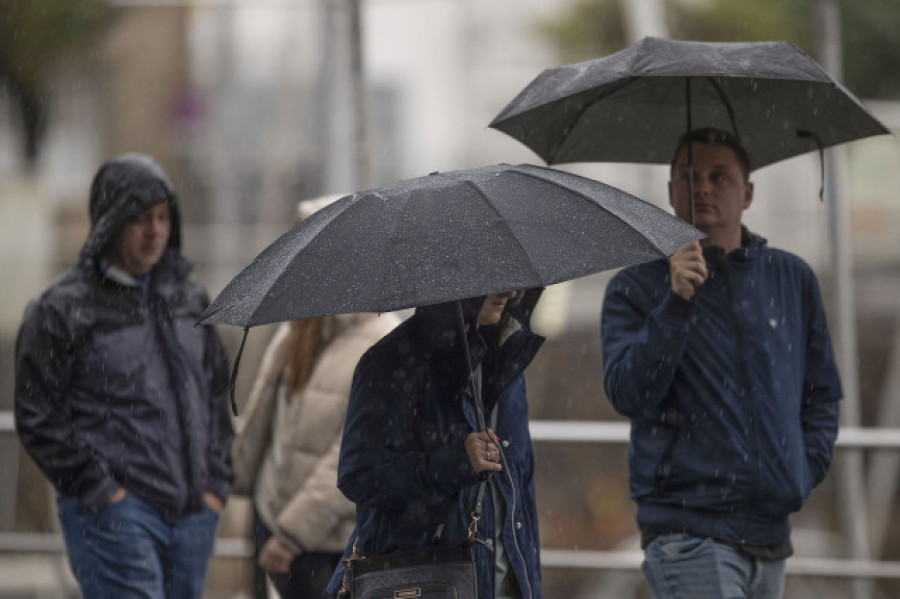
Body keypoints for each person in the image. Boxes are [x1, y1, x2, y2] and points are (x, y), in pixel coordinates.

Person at [600, 128, 843, 599]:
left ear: (747, 192)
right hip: (688, 534)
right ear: (671, 192)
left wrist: (800, 469)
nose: (703, 187)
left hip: (771, 536)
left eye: (719, 176)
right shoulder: (635, 287)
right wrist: (675, 304)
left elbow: (820, 394)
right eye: (688, 176)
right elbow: (629, 393)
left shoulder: (790, 278)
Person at [14, 153, 234, 599]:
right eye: (139, 219)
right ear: (109, 223)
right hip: (116, 513)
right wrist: (100, 489)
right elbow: (37, 414)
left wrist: (216, 485)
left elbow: (216, 393)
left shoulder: (189, 297)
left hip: (193, 513)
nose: (154, 231)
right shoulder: (61, 309)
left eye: (162, 217)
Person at [231, 196, 401, 599]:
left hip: (325, 544)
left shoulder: (381, 340)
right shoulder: (295, 332)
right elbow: (261, 424)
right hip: (270, 522)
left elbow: (353, 454)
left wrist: (291, 535)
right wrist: (231, 484)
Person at [327, 290, 546, 599]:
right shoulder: (390, 363)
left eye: (513, 280)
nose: (510, 292)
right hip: (423, 582)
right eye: (492, 277)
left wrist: (530, 587)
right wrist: (456, 463)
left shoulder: (507, 360)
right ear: (459, 283)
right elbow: (359, 476)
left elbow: (521, 492)